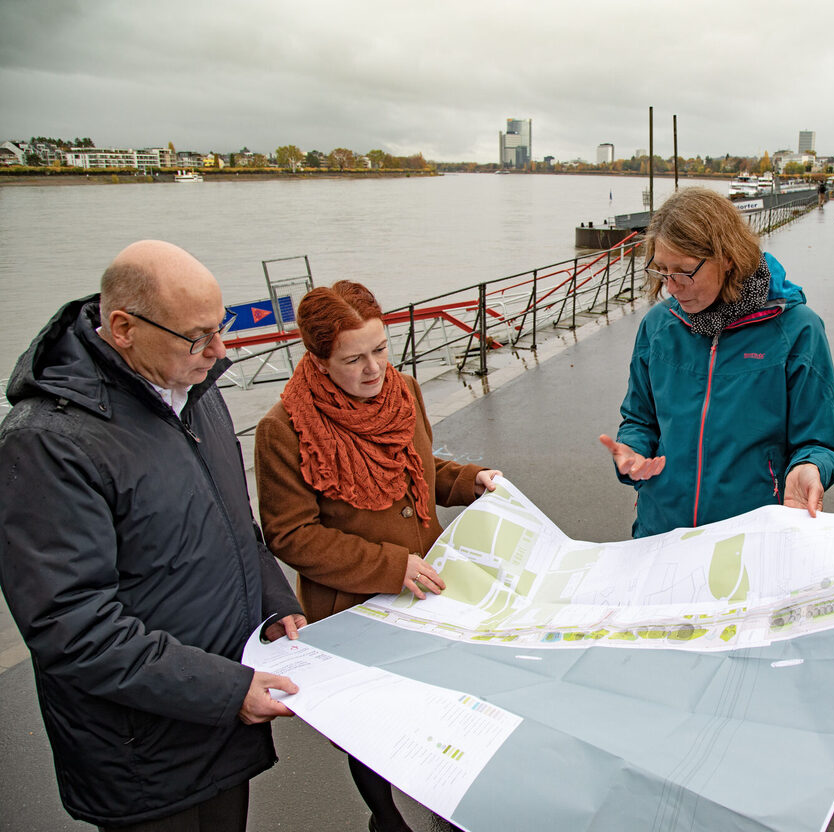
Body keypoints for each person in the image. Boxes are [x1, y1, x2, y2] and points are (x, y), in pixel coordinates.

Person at [0, 241, 305, 831]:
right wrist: (226, 690)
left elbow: (231, 525)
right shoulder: (47, 442)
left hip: (217, 721)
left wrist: (274, 604)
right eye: (198, 337)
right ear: (123, 328)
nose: (219, 352)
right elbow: (73, 627)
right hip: (140, 752)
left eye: (222, 328)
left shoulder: (195, 389)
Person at [254, 280, 500, 832]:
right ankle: (384, 817)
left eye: (380, 349)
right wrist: (392, 566)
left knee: (444, 706)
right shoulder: (282, 430)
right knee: (374, 726)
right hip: (354, 605)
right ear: (317, 359)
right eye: (353, 358)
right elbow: (291, 536)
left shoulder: (404, 390)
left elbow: (420, 471)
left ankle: (448, 803)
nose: (373, 370)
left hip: (428, 590)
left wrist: (470, 479)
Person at [599, 186, 834, 538]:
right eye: (662, 271)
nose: (672, 286)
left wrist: (810, 467)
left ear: (728, 257)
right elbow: (640, 419)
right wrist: (632, 452)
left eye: (684, 271)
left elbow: (821, 441)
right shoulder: (657, 326)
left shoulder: (797, 330)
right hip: (661, 534)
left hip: (752, 540)